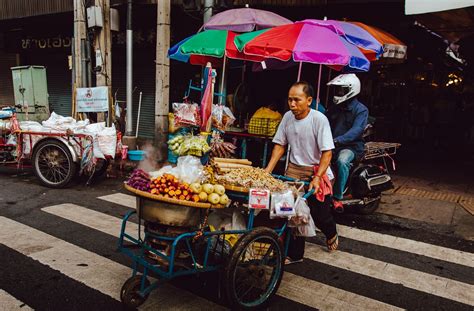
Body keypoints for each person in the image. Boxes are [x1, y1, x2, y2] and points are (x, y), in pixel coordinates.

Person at [265, 81, 338, 263]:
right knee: (291, 213)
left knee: (321, 215)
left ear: (309, 100)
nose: (292, 104)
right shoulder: (287, 118)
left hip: (316, 170)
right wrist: (267, 171)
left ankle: (331, 232)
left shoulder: (319, 119)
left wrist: (317, 177)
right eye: (290, 100)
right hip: (294, 170)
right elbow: (280, 145)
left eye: (297, 100)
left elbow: (327, 152)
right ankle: (295, 254)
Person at [326, 74, 368, 209]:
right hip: (332, 144)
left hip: (351, 147)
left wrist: (338, 140)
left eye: (341, 90)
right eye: (337, 90)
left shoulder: (361, 110)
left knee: (342, 161)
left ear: (351, 90)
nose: (338, 93)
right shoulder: (335, 107)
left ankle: (337, 197)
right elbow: (324, 120)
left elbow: (356, 130)